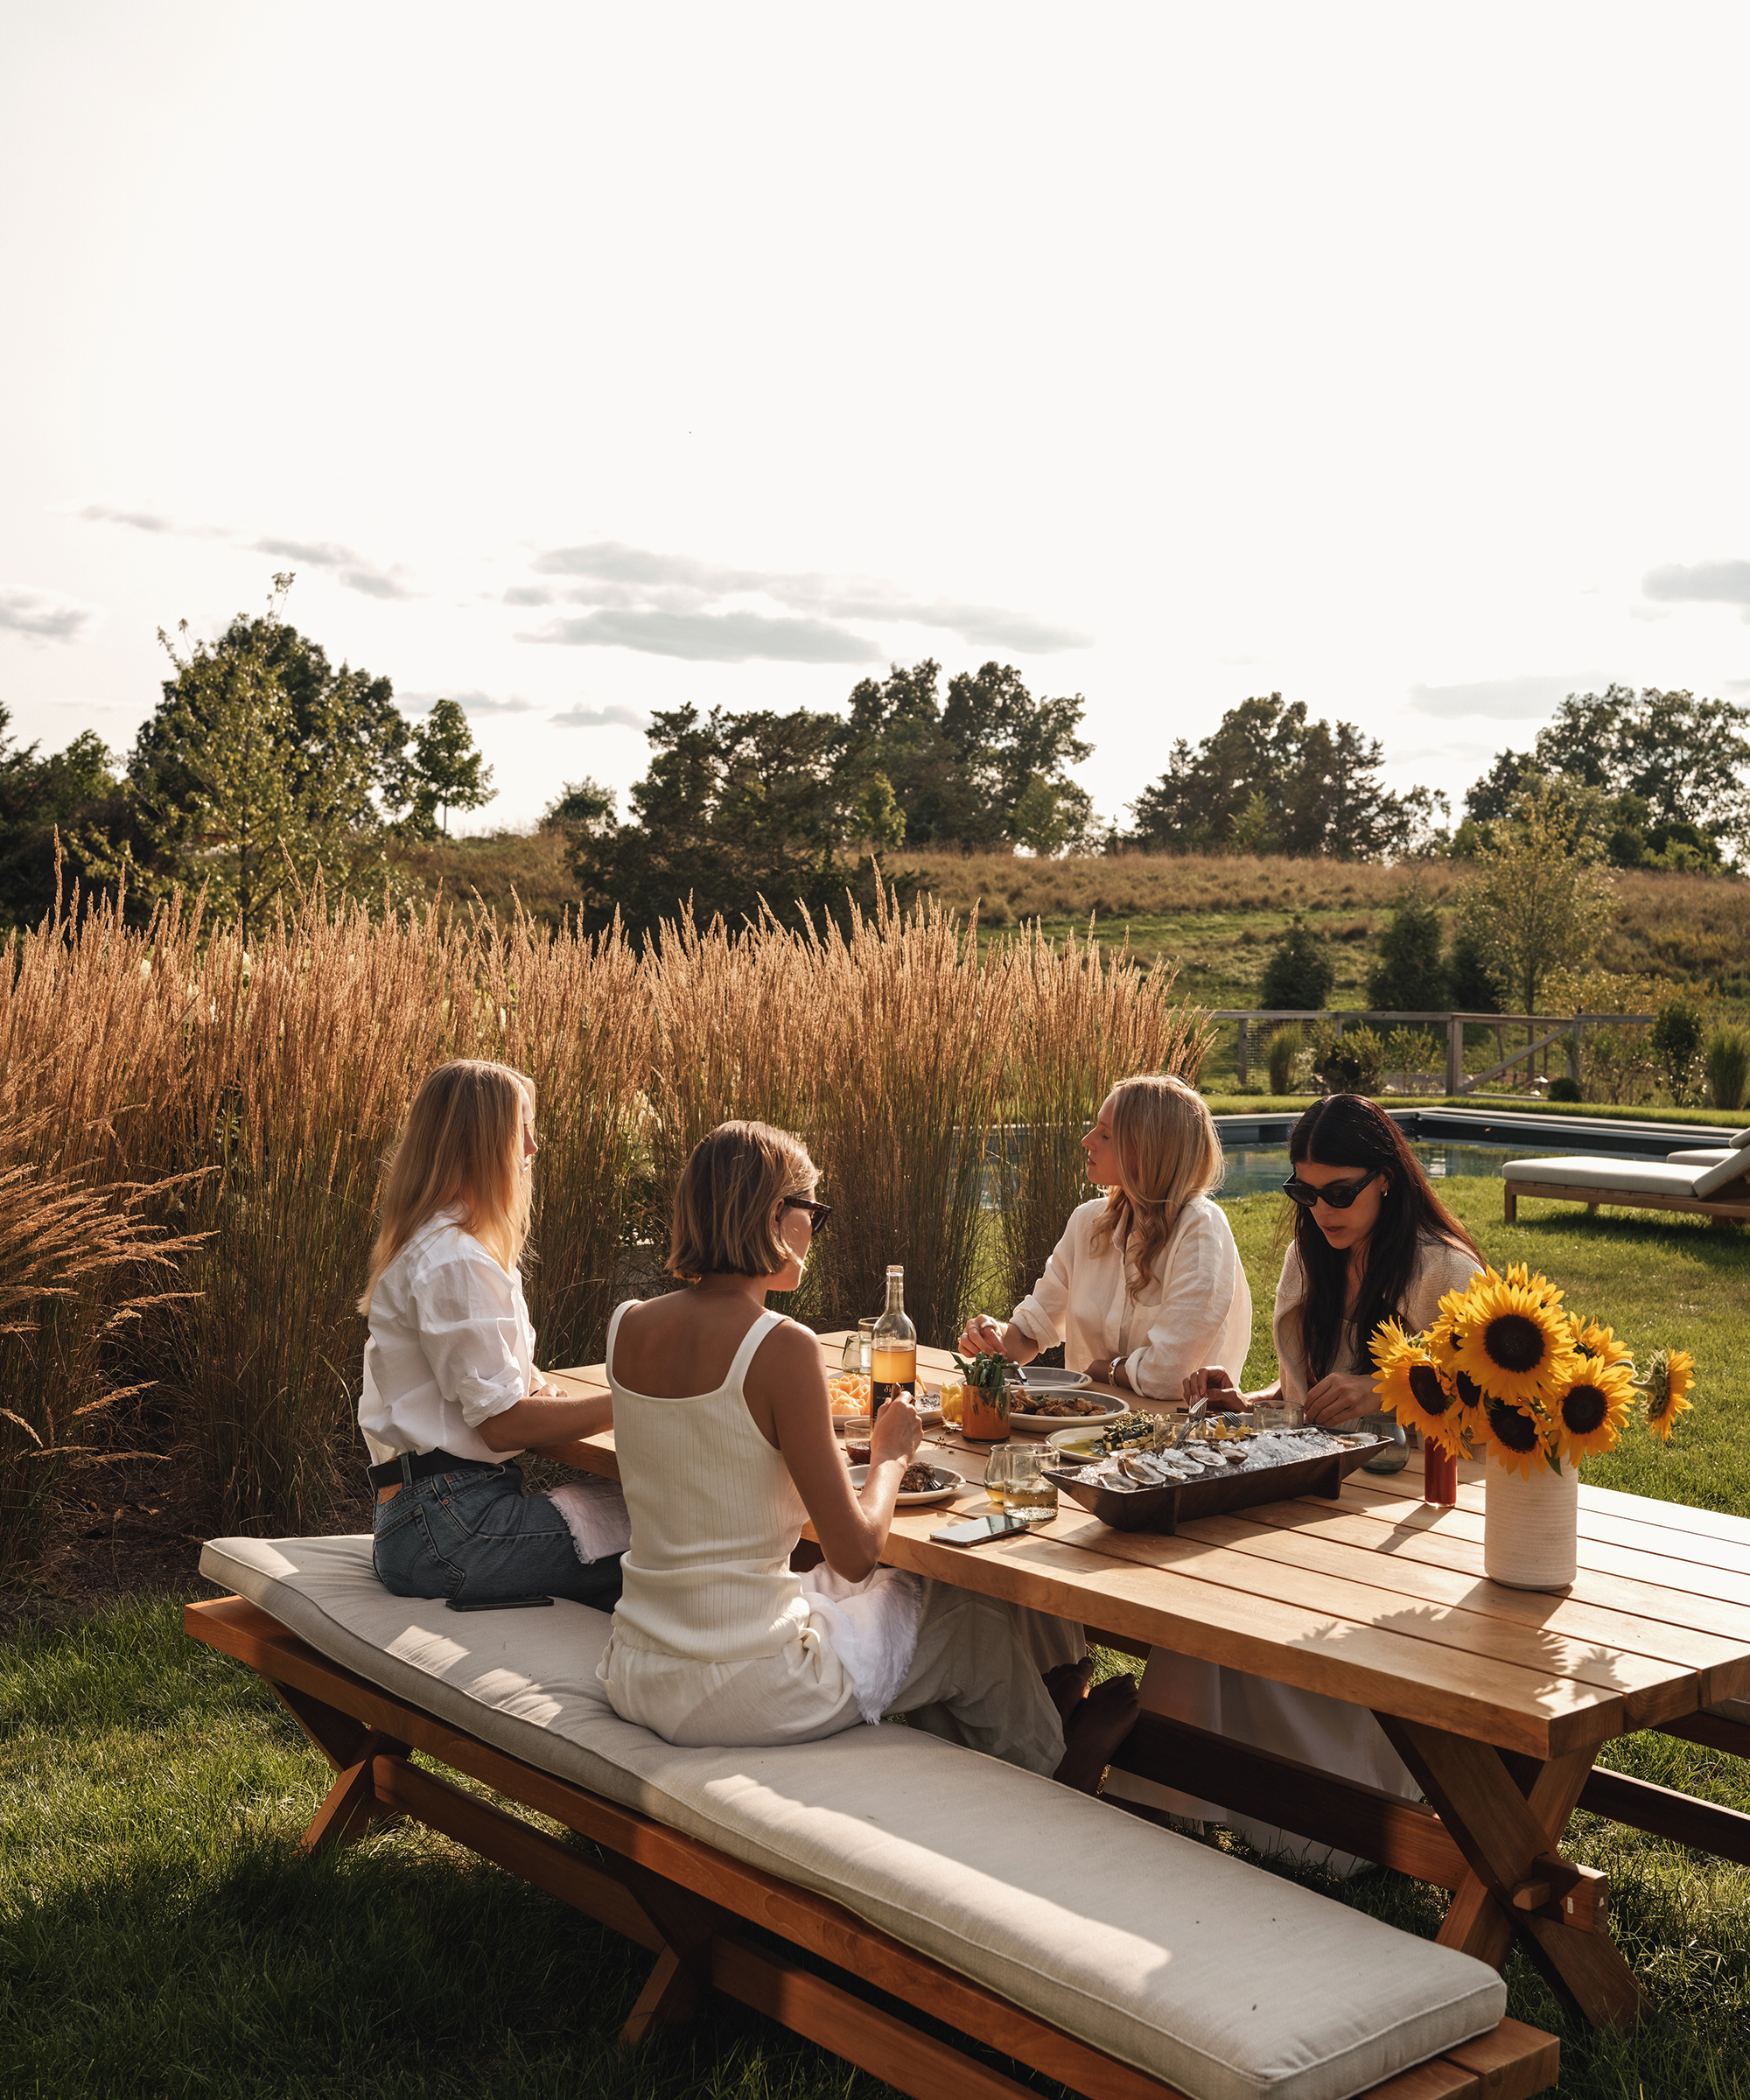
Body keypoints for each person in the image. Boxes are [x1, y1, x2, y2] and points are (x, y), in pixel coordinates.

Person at [596, 1118, 1138, 1786]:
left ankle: (1009, 1751)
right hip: (738, 1685)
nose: (813, 1233)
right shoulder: (781, 1345)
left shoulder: (627, 1326)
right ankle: (1059, 1772)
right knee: (964, 1615)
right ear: (774, 1214)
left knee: (910, 1610)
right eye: (811, 1213)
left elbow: (713, 1461)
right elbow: (854, 1556)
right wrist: (889, 1455)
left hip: (639, 1664)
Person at [1157, 1092, 1486, 1864]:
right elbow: (1305, 1401)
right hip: (1329, 1494)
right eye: (1305, 1191)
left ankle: (1331, 1822)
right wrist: (1247, 1401)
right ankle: (1176, 1796)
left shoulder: (1444, 1270)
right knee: (1191, 1578)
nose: (1322, 1208)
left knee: (1228, 1574)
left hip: (1425, 1515)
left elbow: (1491, 1412)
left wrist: (1391, 1387)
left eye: (1339, 1192)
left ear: (1388, 1181)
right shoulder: (1313, 1255)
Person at [359, 1059, 627, 1611]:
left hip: (431, 1515)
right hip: (452, 1528)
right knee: (673, 1535)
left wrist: (534, 1398)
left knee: (649, 1519)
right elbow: (506, 1427)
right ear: (478, 1142)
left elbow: (507, 1402)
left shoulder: (445, 1247)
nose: (533, 1147)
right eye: (520, 1128)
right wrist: (636, 1400)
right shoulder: (455, 1260)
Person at [956, 1074, 1252, 1408]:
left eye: (1106, 1134)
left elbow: (1170, 1376)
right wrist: (990, 1336)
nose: (1087, 1140)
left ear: (1151, 1150)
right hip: (1080, 1432)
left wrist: (1106, 1370)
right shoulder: (1089, 1223)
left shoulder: (1200, 1228)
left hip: (1176, 1443)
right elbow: (1028, 1336)